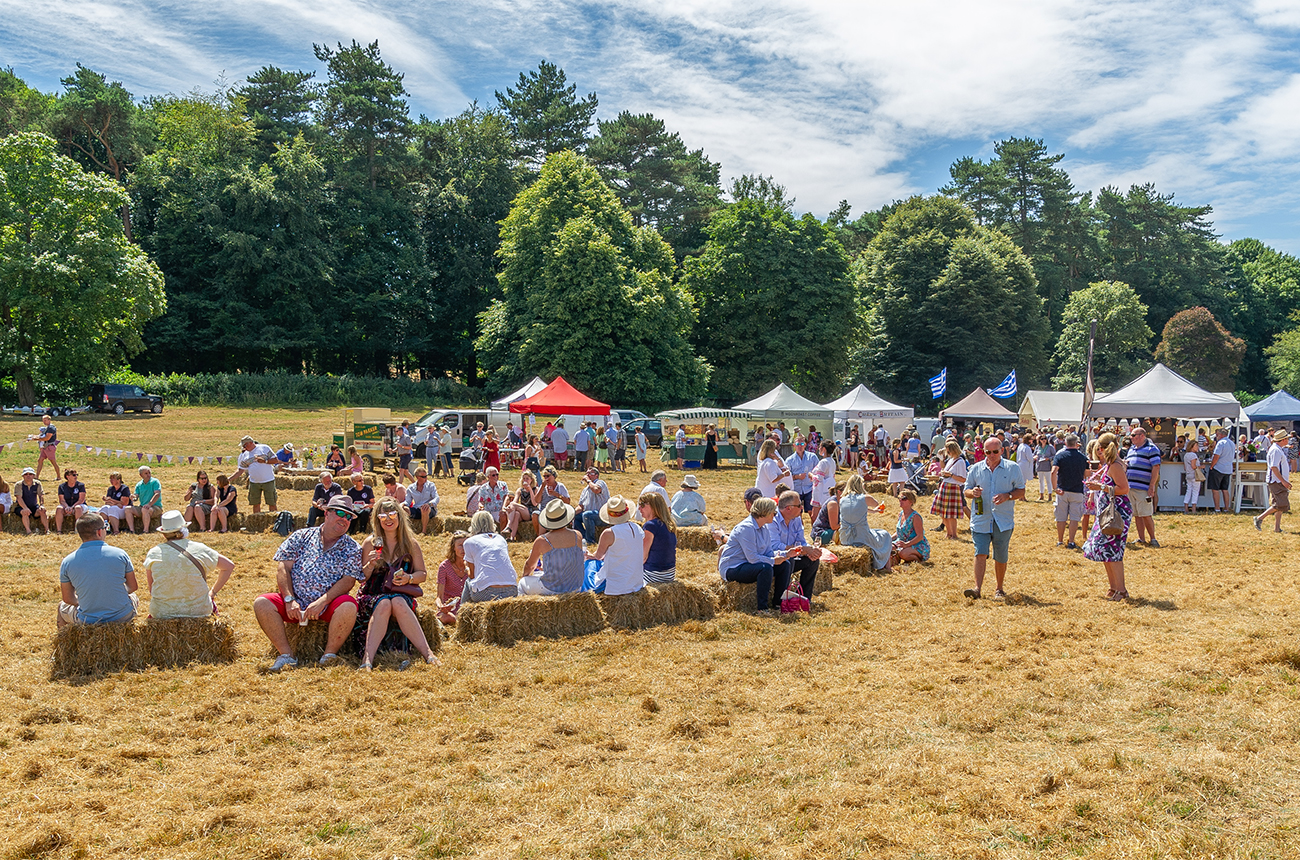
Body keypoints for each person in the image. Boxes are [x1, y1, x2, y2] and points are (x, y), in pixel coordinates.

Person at [253, 495, 362, 672]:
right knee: (262, 603)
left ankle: (329, 656)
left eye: (349, 516)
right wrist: (289, 600)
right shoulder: (301, 536)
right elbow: (283, 569)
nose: (344, 519)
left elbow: (348, 581)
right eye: (340, 513)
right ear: (326, 513)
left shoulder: (352, 547)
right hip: (294, 603)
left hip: (327, 606)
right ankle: (286, 655)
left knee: (349, 606)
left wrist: (322, 602)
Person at [354, 498, 438, 671]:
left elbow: (422, 574)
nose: (388, 519)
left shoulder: (410, 543)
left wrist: (409, 578)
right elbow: (362, 578)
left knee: (397, 601)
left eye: (392, 514)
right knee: (385, 602)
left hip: (401, 593)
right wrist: (369, 565)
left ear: (400, 517)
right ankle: (367, 660)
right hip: (373, 594)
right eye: (383, 515)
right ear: (377, 519)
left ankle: (428, 654)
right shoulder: (370, 542)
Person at [962, 438, 1027, 600]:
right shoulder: (976, 468)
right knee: (980, 553)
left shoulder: (1012, 468)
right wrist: (973, 492)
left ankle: (999, 588)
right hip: (981, 519)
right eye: (988, 452)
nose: (991, 455)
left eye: (995, 452)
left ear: (1002, 451)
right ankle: (977, 589)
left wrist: (1008, 496)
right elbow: (966, 490)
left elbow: (1022, 491)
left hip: (1002, 520)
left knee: (1001, 555)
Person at [142, 510, 235, 618]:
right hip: (199, 611)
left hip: (162, 612)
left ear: (163, 534)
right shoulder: (199, 549)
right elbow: (229, 566)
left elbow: (151, 589)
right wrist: (213, 592)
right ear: (184, 528)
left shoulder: (153, 553)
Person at [57, 513, 138, 628]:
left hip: (88, 619)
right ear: (99, 532)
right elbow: (133, 587)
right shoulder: (120, 554)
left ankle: (66, 644)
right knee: (134, 597)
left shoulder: (67, 562)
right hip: (122, 616)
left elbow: (68, 598)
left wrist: (85, 601)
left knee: (61, 606)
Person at [1083, 433, 1132, 600]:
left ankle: (1121, 590)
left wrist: (1100, 487)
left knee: (1113, 552)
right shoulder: (1110, 465)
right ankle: (1113, 587)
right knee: (1105, 551)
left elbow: (1124, 489)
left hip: (1116, 513)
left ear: (1101, 449)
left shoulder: (1116, 466)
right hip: (1106, 513)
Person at [717, 497, 783, 614]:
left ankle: (778, 603)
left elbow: (768, 552)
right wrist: (773, 561)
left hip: (747, 564)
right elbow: (753, 558)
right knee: (765, 568)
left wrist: (786, 554)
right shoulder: (746, 528)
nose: (775, 515)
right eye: (774, 512)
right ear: (765, 512)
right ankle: (762, 608)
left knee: (785, 564)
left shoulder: (764, 528)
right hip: (733, 567)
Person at [519, 499, 586, 595]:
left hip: (551, 588)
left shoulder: (542, 540)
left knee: (522, 583)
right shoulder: (578, 536)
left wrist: (525, 576)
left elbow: (530, 566)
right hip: (575, 587)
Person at [835, 474, 893, 573]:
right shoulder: (865, 497)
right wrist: (875, 509)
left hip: (845, 537)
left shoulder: (842, 499)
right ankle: (887, 567)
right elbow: (877, 504)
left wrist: (872, 511)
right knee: (885, 535)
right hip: (861, 537)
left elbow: (855, 509)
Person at [590, 496, 645, 596]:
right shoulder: (637, 528)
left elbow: (598, 556)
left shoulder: (609, 533)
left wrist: (586, 556)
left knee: (588, 567)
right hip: (636, 582)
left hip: (616, 585)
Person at [770, 490, 818, 601]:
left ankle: (805, 599)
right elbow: (775, 546)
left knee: (813, 560)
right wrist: (800, 549)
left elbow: (801, 541)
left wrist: (810, 550)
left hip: (791, 555)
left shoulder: (796, 519)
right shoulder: (772, 519)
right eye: (799, 505)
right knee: (788, 560)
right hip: (775, 559)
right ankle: (780, 600)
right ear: (788, 508)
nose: (802, 507)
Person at [461, 510, 519, 603]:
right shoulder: (501, 539)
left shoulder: (469, 542)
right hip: (512, 590)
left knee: (469, 582)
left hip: (487, 593)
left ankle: (461, 614)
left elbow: (472, 575)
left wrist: (466, 567)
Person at [1124, 427, 1161, 547]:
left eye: (1134, 435)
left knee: (1146, 513)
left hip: (1143, 487)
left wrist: (1151, 486)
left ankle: (1153, 538)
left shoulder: (1151, 449)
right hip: (1130, 486)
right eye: (1131, 435)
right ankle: (1141, 538)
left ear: (1142, 436)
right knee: (1136, 514)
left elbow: (1156, 467)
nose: (1131, 437)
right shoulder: (1131, 449)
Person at [1051, 434, 1089, 549]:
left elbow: (1053, 472)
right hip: (1077, 490)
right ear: (1077, 444)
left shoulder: (1060, 456)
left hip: (1062, 490)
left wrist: (1054, 488)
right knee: (1074, 518)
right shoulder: (1083, 458)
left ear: (1065, 443)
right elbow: (1087, 474)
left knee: (1061, 517)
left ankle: (1060, 540)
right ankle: (1071, 541)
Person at [1255, 428, 1293, 532]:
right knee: (1280, 504)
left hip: (1278, 481)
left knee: (1279, 505)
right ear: (1283, 440)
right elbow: (1274, 467)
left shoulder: (1277, 449)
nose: (1288, 441)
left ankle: (1277, 528)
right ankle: (1259, 518)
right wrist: (1283, 481)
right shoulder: (1276, 450)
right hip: (1276, 481)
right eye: (1287, 439)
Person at [930, 440, 967, 540]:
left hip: (953, 487)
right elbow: (944, 469)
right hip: (945, 486)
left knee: (951, 514)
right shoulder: (951, 460)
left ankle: (954, 535)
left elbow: (963, 479)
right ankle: (948, 533)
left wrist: (950, 475)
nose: (948, 453)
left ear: (954, 450)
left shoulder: (960, 461)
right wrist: (941, 460)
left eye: (948, 451)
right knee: (943, 512)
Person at [231, 435, 279, 514]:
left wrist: (265, 461)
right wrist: (229, 479)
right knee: (255, 504)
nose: (244, 448)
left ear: (250, 443)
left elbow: (275, 460)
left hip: (268, 480)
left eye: (245, 446)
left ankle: (274, 522)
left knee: (272, 503)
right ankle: (257, 521)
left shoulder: (264, 448)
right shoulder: (245, 455)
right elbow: (240, 471)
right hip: (254, 483)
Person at [639, 491, 678, 584]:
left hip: (653, 575)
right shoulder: (669, 524)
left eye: (642, 505)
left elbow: (643, 557)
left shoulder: (650, 526)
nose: (639, 508)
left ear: (653, 506)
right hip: (669, 574)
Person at [436, 531, 469, 625]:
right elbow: (439, 597)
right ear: (453, 547)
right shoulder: (444, 567)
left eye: (466, 545)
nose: (463, 549)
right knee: (446, 617)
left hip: (466, 608)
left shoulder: (473, 565)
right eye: (460, 545)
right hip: (449, 609)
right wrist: (441, 606)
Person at [894, 489, 930, 563]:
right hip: (903, 543)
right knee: (890, 549)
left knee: (903, 554)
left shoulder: (915, 516)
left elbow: (920, 536)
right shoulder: (900, 514)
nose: (900, 500)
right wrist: (887, 539)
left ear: (911, 502)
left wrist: (907, 545)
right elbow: (899, 532)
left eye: (903, 499)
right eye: (899, 498)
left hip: (917, 544)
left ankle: (918, 561)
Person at [576, 467, 611, 544]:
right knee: (576, 517)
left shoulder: (600, 483)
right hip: (590, 515)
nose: (588, 475)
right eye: (587, 473)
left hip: (602, 516)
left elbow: (596, 490)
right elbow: (580, 506)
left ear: (596, 476)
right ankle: (584, 537)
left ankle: (590, 540)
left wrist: (588, 481)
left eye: (590, 473)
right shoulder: (585, 490)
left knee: (587, 515)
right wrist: (571, 514)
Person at [785, 437, 819, 513]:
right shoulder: (789, 460)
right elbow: (786, 477)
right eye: (797, 444)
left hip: (809, 489)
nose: (799, 446)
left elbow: (819, 471)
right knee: (797, 514)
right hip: (796, 490)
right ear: (794, 445)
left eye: (802, 444)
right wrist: (797, 476)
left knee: (812, 513)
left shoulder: (812, 457)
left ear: (805, 445)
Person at [502, 471, 537, 541]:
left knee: (512, 505)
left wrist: (530, 489)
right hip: (522, 512)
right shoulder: (520, 490)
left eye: (527, 479)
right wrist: (509, 508)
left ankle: (508, 526)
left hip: (530, 511)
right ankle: (511, 537)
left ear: (531, 480)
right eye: (524, 479)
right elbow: (514, 502)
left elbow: (535, 503)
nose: (525, 480)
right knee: (516, 514)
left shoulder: (535, 489)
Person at [809, 440, 838, 524]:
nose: (818, 449)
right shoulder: (832, 461)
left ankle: (816, 533)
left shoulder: (823, 462)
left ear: (824, 449)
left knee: (815, 516)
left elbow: (819, 478)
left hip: (820, 491)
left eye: (820, 447)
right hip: (828, 488)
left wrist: (810, 475)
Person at [1207, 427, 1235, 513]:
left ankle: (1217, 508)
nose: (1216, 436)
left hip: (1218, 468)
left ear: (1220, 435)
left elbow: (1216, 456)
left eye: (1217, 435)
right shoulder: (1232, 443)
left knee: (1215, 489)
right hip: (1228, 468)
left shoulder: (1221, 443)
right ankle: (1226, 508)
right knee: (1225, 489)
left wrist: (1212, 466)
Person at [404, 467, 439, 535]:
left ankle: (424, 531)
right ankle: (407, 530)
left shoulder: (431, 485)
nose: (426, 478)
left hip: (429, 509)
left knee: (424, 508)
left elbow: (437, 498)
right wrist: (402, 505)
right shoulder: (411, 488)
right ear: (417, 477)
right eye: (423, 477)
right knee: (404, 509)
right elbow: (407, 502)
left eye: (426, 476)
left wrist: (429, 504)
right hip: (417, 509)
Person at [15, 467, 50, 535]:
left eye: (30, 474)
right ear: (23, 476)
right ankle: (28, 531)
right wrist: (25, 508)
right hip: (20, 506)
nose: (28, 476)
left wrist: (41, 505)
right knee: (25, 513)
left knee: (42, 511)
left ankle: (47, 530)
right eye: (26, 474)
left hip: (34, 506)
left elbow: (41, 495)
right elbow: (19, 498)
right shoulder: (19, 485)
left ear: (33, 475)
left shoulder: (38, 483)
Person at [53, 468, 88, 534]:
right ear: (67, 477)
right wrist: (67, 507)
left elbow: (81, 500)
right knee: (59, 508)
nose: (76, 476)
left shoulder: (80, 485)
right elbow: (62, 500)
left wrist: (72, 507)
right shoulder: (62, 486)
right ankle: (59, 531)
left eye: (76, 475)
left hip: (79, 505)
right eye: (74, 475)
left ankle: (78, 530)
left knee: (78, 508)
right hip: (67, 505)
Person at [133, 465, 163, 534]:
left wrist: (149, 504)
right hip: (143, 507)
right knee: (127, 509)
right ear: (141, 475)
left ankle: (145, 530)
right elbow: (136, 496)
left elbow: (157, 494)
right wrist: (133, 497)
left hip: (155, 507)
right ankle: (132, 530)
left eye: (149, 473)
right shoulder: (139, 484)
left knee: (145, 509)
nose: (148, 475)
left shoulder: (155, 482)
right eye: (146, 473)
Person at [29, 414, 59, 480]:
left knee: (53, 462)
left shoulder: (51, 428)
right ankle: (36, 476)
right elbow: (42, 436)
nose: (44, 422)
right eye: (43, 420)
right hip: (45, 447)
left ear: (49, 420)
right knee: (40, 460)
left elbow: (47, 438)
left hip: (49, 447)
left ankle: (58, 476)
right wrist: (33, 437)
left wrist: (36, 439)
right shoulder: (47, 428)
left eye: (45, 420)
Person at [1182, 438, 1202, 514]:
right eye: (1196, 446)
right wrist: (1200, 467)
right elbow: (1194, 466)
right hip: (1194, 475)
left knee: (1188, 491)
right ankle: (1193, 509)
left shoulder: (1186, 455)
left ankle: (1186, 508)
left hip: (1188, 475)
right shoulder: (1193, 455)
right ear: (1192, 447)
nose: (1197, 447)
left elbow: (1185, 467)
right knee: (1195, 492)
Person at [1035, 436, 1056, 501]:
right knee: (1041, 481)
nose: (1044, 440)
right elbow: (1034, 454)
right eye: (1042, 439)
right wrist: (1035, 457)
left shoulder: (1050, 447)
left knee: (1048, 481)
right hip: (1039, 466)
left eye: (1045, 439)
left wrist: (1049, 458)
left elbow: (1054, 455)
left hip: (1047, 466)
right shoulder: (1038, 447)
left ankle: (1050, 495)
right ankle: (1041, 495)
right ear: (1040, 440)